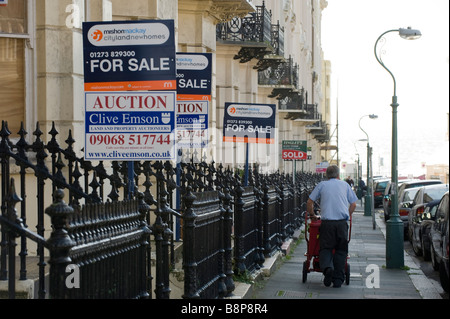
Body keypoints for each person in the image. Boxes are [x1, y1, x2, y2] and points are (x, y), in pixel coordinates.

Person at [307, 165, 358, 288]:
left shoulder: (322, 185)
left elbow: (309, 202)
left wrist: (313, 215)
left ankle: (327, 269)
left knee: (325, 249)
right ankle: (338, 280)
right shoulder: (345, 185)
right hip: (341, 223)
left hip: (327, 224)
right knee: (341, 251)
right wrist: (347, 215)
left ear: (326, 175)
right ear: (338, 174)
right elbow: (354, 204)